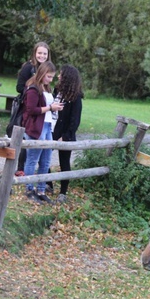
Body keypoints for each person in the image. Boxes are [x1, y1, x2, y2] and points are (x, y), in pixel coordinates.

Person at [22, 61, 64, 204]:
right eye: (49, 77)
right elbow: (31, 110)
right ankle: (29, 189)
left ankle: (41, 190)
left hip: (47, 126)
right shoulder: (33, 88)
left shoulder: (46, 88)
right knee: (33, 159)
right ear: (42, 73)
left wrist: (54, 108)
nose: (51, 80)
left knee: (46, 160)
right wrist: (50, 108)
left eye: (52, 77)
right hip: (36, 127)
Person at [15, 42, 50, 177]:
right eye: (39, 53)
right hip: (28, 107)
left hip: (42, 108)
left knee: (42, 139)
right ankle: (21, 167)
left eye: (44, 53)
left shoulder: (47, 68)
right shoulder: (29, 67)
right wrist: (32, 91)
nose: (42, 56)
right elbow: (19, 87)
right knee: (26, 135)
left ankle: (38, 171)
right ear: (35, 53)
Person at [52, 65, 83, 204]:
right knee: (42, 156)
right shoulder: (57, 91)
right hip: (52, 130)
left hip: (66, 135)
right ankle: (47, 184)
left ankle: (63, 192)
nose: (58, 76)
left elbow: (74, 121)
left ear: (68, 78)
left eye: (61, 74)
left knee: (64, 163)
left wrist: (65, 136)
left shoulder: (76, 98)